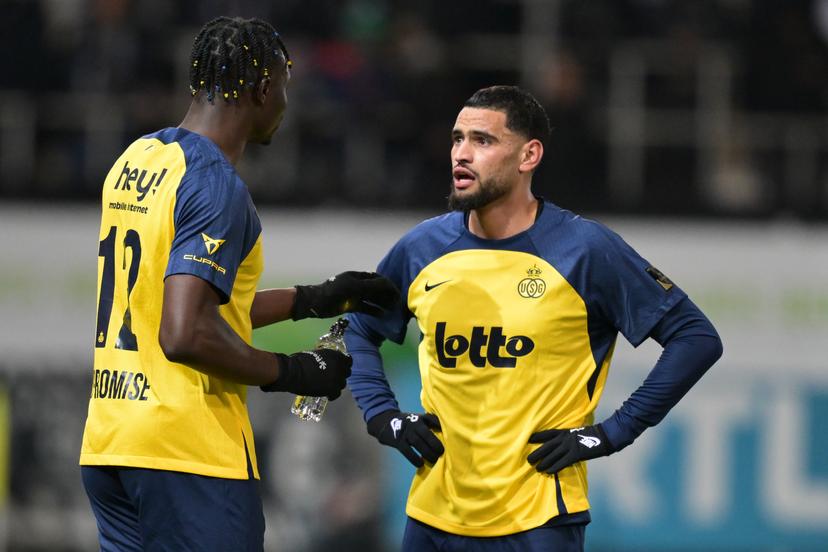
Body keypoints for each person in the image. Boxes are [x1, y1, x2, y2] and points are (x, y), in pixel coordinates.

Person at [345, 85, 723, 552]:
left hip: (539, 521)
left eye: (482, 141)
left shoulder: (584, 250)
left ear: (529, 155)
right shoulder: (421, 248)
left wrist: (613, 432)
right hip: (431, 518)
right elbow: (358, 329)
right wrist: (382, 415)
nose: (462, 154)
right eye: (457, 139)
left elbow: (695, 337)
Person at [79, 16, 399, 552]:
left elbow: (177, 306)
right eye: (285, 88)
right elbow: (183, 334)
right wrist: (293, 371)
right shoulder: (216, 184)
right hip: (189, 455)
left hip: (112, 444)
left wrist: (311, 300)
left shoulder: (137, 158)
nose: (286, 105)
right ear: (262, 89)